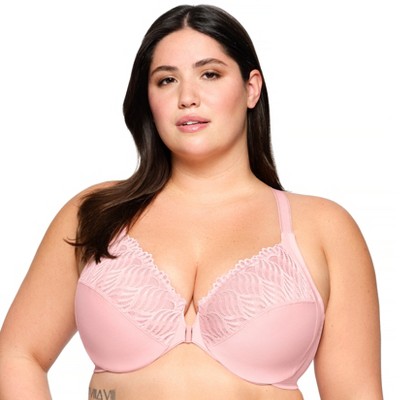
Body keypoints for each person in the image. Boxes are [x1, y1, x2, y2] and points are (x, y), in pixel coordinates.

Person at [0, 4, 383, 400]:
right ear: (148, 97)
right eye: (166, 80)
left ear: (251, 88)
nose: (187, 97)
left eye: (210, 74)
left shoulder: (323, 228)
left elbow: (355, 392)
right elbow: (17, 355)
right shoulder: (97, 214)